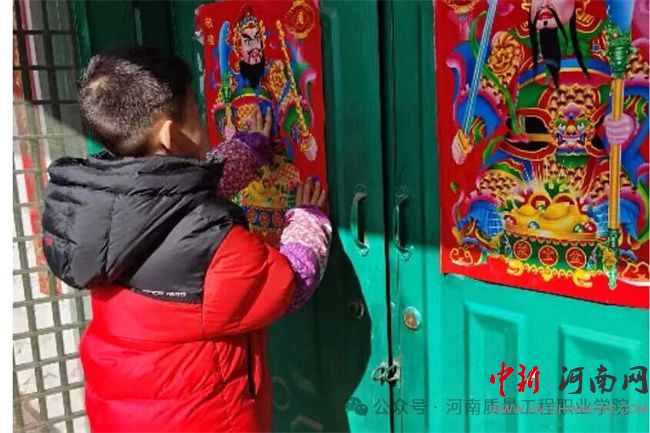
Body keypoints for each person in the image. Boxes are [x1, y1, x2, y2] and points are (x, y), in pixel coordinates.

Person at [41, 46, 331, 432]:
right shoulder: (212, 248)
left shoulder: (100, 206)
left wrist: (248, 152)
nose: (204, 121)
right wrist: (308, 220)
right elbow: (289, 282)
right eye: (197, 109)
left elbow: (176, 195)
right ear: (171, 134)